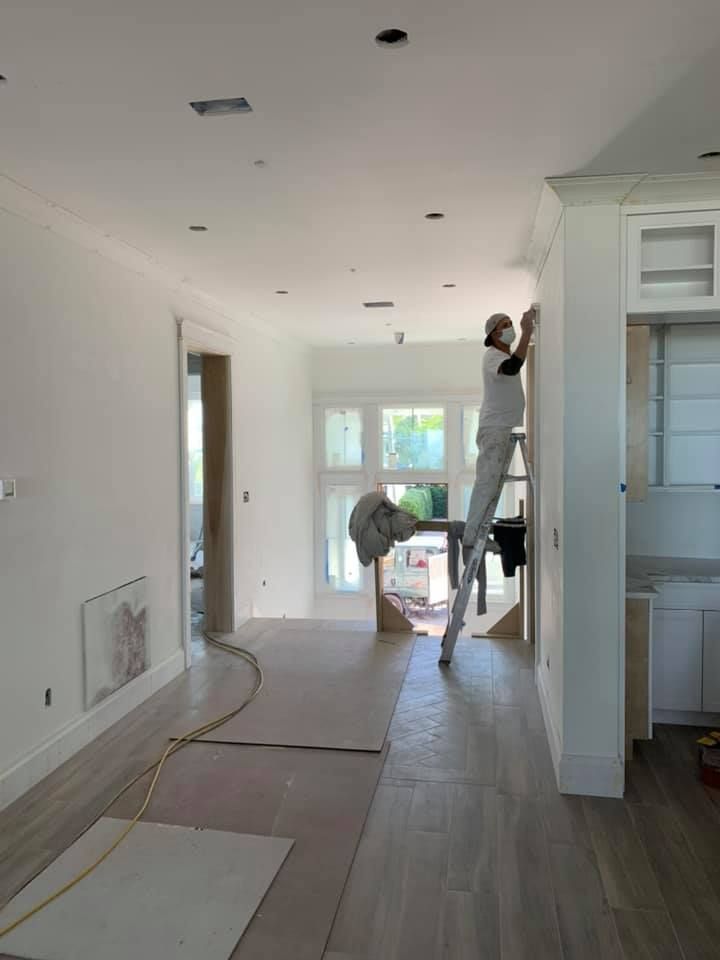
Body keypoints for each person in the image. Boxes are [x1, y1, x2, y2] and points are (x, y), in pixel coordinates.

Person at [463, 307, 535, 548]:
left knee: (492, 484)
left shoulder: (503, 354)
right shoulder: (493, 356)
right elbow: (513, 367)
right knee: (486, 483)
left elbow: (514, 362)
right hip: (494, 429)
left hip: (502, 428)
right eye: (505, 325)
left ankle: (480, 535)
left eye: (511, 322)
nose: (510, 327)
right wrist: (527, 332)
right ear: (494, 334)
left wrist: (526, 333)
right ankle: (471, 538)